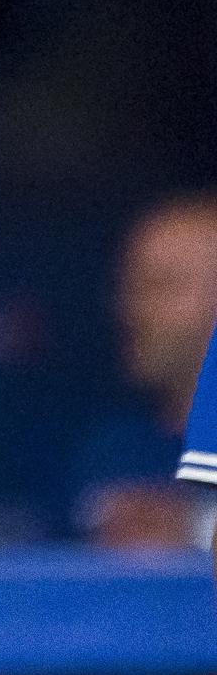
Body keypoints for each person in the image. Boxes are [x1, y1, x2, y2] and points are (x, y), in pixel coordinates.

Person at [74, 194, 217, 551]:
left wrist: (192, 528)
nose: (134, 308)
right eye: (132, 287)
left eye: (163, 284)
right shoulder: (111, 455)